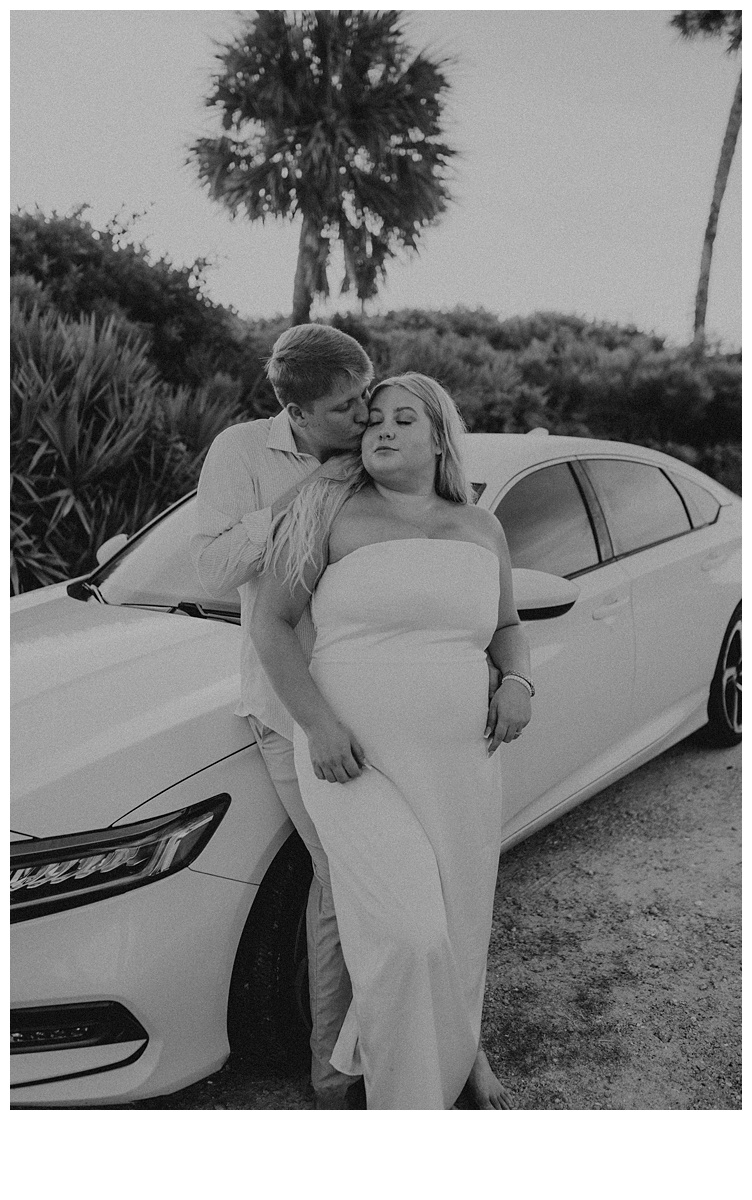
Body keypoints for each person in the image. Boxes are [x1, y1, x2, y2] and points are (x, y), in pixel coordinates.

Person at [251, 373, 533, 1109]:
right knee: (409, 932)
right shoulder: (329, 509)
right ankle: (408, 1107)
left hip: (461, 762)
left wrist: (519, 682)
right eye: (372, 418)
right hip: (352, 761)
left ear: (439, 436)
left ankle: (461, 1053)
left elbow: (506, 628)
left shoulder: (481, 528)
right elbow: (271, 625)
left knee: (459, 921)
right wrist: (317, 724)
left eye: (402, 419)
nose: (380, 429)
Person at [190, 323, 374, 1108]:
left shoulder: (380, 449)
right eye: (345, 405)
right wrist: (307, 490)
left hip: (379, 702)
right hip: (289, 708)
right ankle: (335, 1077)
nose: (365, 414)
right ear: (297, 414)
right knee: (342, 882)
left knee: (380, 879)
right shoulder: (242, 453)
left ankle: (402, 1041)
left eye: (367, 392)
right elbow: (209, 571)